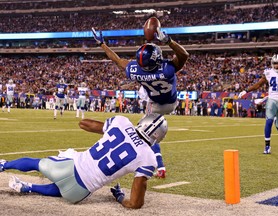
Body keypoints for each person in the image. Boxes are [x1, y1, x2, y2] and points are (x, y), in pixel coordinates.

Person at [0, 113, 168, 209]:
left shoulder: (121, 122)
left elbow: (83, 123)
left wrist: (109, 131)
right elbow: (135, 204)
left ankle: (4, 165)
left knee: (37, 163)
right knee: (62, 189)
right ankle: (28, 187)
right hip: (78, 193)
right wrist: (119, 197)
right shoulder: (149, 158)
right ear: (158, 137)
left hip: (66, 168)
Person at [92, 26, 189, 178]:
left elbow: (116, 60)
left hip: (155, 105)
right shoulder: (167, 70)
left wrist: (102, 44)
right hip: (171, 102)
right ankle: (159, 166)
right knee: (150, 131)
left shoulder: (135, 70)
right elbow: (184, 55)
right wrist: (169, 41)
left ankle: (159, 166)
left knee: (147, 133)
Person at [238, 54, 278, 154]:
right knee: (268, 122)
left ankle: (276, 120)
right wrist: (246, 90)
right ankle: (267, 146)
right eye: (275, 63)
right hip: (272, 99)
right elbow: (259, 84)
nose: (277, 66)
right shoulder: (268, 72)